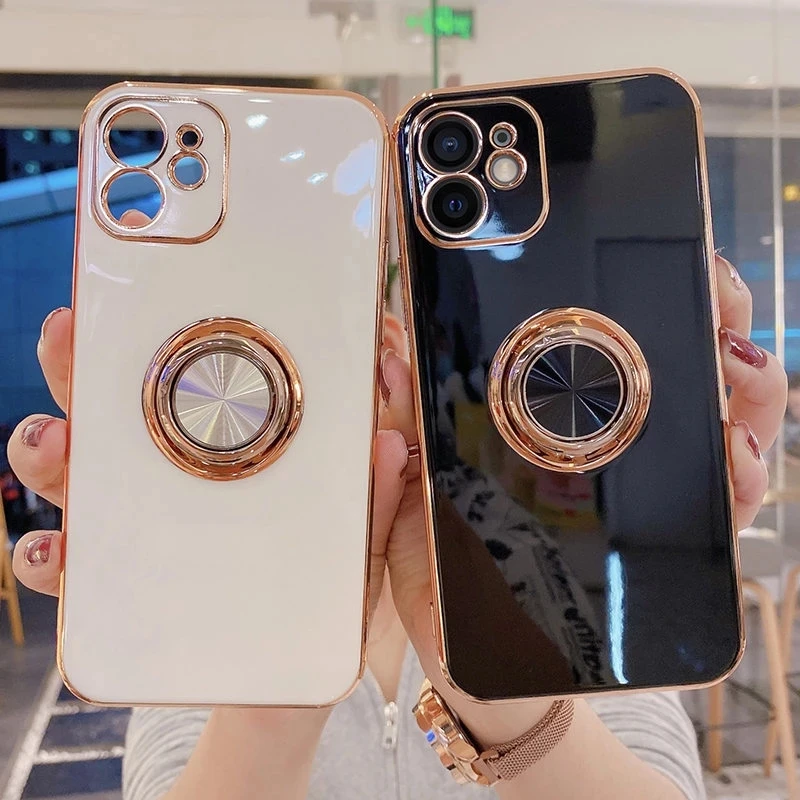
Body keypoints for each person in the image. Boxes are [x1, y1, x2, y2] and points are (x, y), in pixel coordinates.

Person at [8, 251, 787, 799]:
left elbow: (662, 774)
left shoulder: (539, 545)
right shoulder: (212, 584)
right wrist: (288, 671)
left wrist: (497, 683)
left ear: (389, 346)